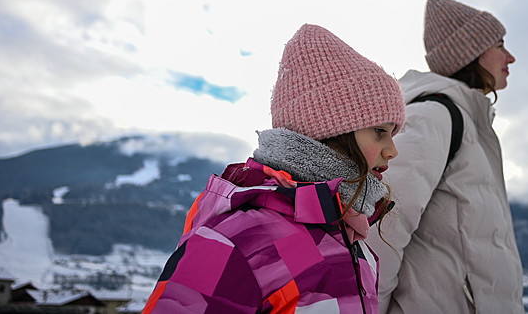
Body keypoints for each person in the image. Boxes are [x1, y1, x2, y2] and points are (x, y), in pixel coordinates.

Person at [143, 24, 405, 314]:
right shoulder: (239, 242)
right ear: (328, 130)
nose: (392, 150)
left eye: (393, 133)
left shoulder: (352, 240)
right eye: (379, 131)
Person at [366, 0, 524, 314]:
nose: (511, 57)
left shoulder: (471, 123)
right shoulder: (435, 117)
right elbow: (383, 229)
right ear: (472, 54)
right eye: (500, 45)